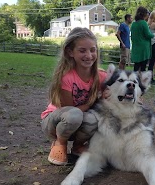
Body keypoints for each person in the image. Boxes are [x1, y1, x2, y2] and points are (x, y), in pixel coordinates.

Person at [40, 27, 107, 165]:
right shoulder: (66, 77)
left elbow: (122, 84)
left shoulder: (101, 76)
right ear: (71, 52)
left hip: (79, 122)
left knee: (93, 119)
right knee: (74, 115)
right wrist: (91, 103)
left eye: (92, 50)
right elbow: (69, 110)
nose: (89, 55)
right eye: (82, 51)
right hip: (56, 123)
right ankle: (60, 143)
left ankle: (77, 146)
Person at [131, 6, 155, 72]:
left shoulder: (133, 24)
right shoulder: (143, 23)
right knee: (143, 68)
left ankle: (134, 80)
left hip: (136, 47)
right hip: (143, 49)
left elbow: (132, 36)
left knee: (136, 67)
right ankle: (142, 80)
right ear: (144, 14)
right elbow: (148, 35)